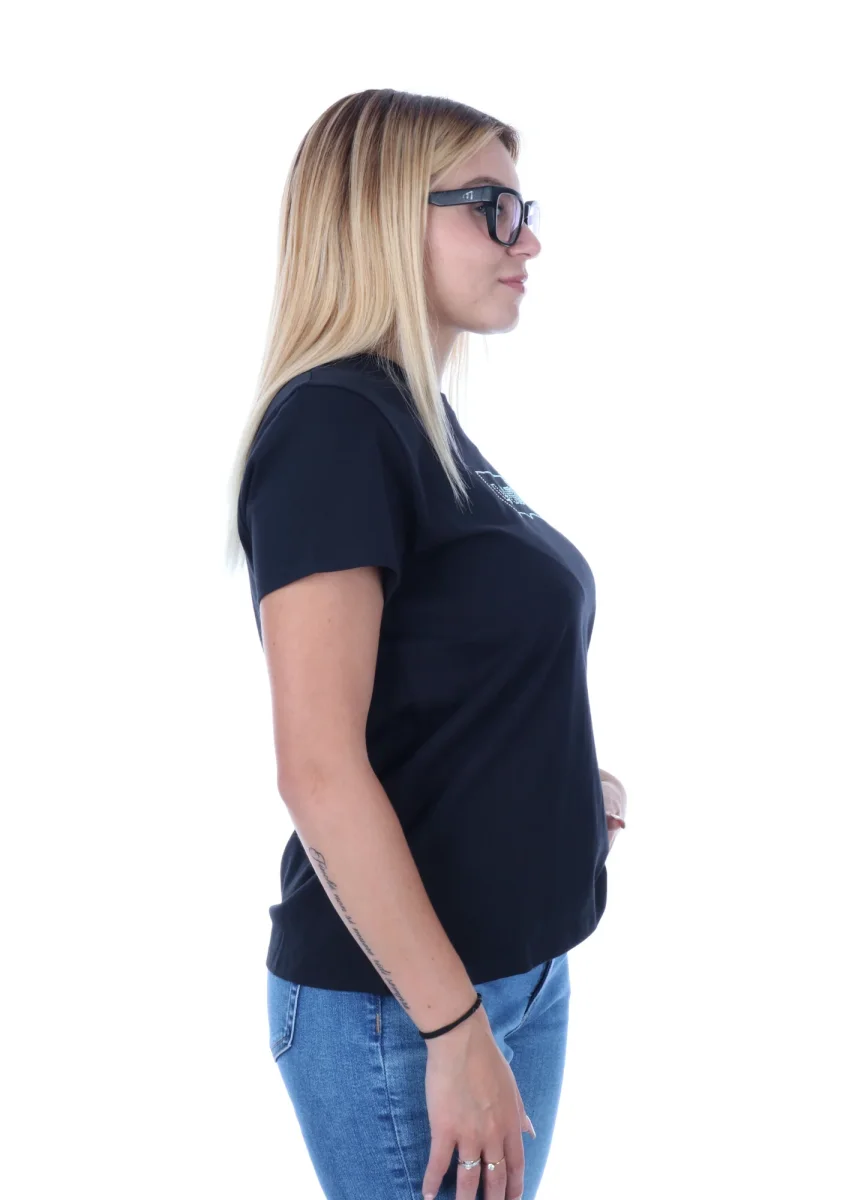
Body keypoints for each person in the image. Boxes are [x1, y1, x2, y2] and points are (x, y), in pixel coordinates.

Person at [223, 88, 628, 1200]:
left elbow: (440, 676)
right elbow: (316, 766)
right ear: (382, 214)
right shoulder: (333, 426)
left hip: (511, 981)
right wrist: (452, 1030)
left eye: (523, 208)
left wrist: (553, 778)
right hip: (405, 1012)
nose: (526, 240)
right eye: (492, 208)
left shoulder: (415, 417)